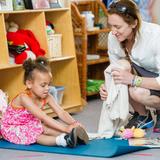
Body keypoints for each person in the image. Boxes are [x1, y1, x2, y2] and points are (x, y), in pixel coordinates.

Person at [99, 0, 160, 132]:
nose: (113, 31)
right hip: (146, 78)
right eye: (111, 26)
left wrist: (133, 79)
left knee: (134, 87)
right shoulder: (113, 37)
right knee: (120, 68)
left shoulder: (155, 36)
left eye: (118, 27)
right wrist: (107, 86)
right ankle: (143, 116)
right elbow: (114, 68)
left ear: (133, 23)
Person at [1, 57, 89, 147]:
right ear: (29, 84)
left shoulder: (47, 96)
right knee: (37, 134)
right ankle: (63, 140)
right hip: (12, 127)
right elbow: (43, 117)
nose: (47, 88)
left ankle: (72, 136)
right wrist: (66, 128)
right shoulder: (23, 98)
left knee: (45, 128)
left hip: (31, 124)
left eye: (48, 84)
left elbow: (61, 112)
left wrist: (74, 124)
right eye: (43, 85)